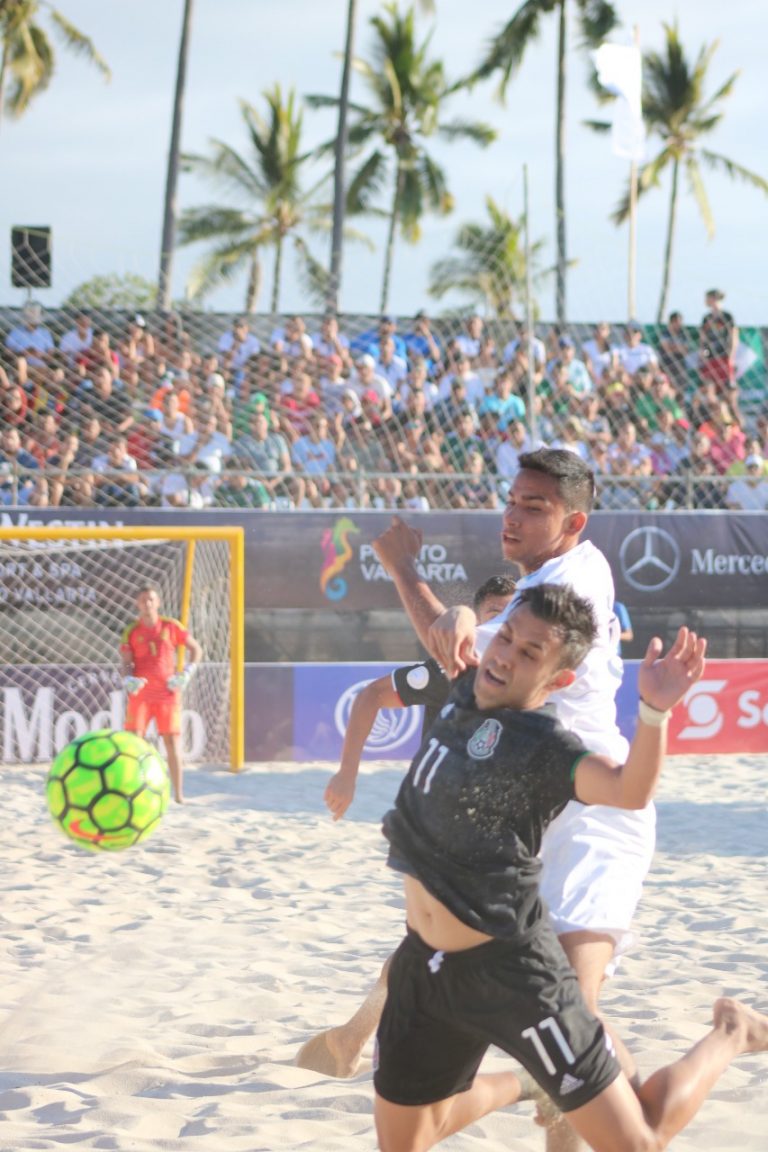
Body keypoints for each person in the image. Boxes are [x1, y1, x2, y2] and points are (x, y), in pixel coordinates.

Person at [373, 583, 768, 1152]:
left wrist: (654, 712)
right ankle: (529, 1081)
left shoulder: (546, 747)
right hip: (427, 969)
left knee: (640, 1138)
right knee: (406, 1142)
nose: (507, 654)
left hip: (514, 973)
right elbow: (448, 626)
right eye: (506, 636)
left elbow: (629, 790)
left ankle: (732, 1031)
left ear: (558, 680)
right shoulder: (464, 687)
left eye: (531, 653)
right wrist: (459, 611)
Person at [367, 449, 656, 1151]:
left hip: (593, 814)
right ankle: (598, 1092)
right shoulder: (552, 578)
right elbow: (459, 647)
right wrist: (462, 610)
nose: (514, 516)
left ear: (574, 520)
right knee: (510, 994)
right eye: (513, 500)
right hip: (526, 809)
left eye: (535, 507)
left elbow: (456, 655)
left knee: (574, 1010)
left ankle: (651, 1085)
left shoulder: (564, 596)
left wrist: (403, 568)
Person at [324, 574, 519, 825]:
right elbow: (370, 696)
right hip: (442, 806)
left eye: (511, 613)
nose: (502, 622)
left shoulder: (534, 673)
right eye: (494, 613)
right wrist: (346, 775)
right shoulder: (450, 669)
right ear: (478, 619)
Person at [119, 584, 202, 805]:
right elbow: (126, 664)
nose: (147, 604)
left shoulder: (171, 626)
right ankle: (131, 790)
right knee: (133, 743)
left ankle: (179, 794)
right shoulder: (131, 631)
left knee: (172, 742)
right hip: (141, 695)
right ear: (137, 604)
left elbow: (196, 649)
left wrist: (187, 672)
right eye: (143, 600)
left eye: (151, 599)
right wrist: (129, 679)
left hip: (167, 693)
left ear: (158, 603)